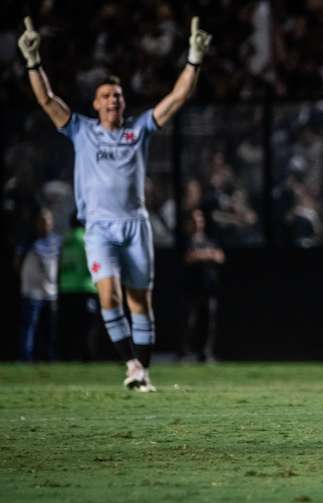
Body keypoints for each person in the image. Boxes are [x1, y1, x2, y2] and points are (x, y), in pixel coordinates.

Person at [18, 16, 211, 390]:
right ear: (96, 104)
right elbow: (45, 99)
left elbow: (176, 99)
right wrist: (32, 61)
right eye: (106, 96)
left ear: (123, 104)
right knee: (108, 294)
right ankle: (131, 365)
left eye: (117, 96)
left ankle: (143, 370)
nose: (112, 100)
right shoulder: (81, 130)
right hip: (99, 227)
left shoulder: (137, 130)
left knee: (140, 302)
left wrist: (193, 59)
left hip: (135, 225)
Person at [16, 207, 61, 361]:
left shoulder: (56, 241)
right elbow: (17, 262)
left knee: (49, 329)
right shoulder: (28, 242)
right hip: (32, 292)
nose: (45, 224)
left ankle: (49, 357)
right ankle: (26, 357)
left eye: (47, 221)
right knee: (30, 327)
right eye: (42, 221)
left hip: (51, 292)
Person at [180, 209, 224, 362]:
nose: (198, 223)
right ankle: (185, 353)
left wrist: (205, 254)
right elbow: (189, 257)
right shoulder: (185, 240)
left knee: (210, 321)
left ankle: (206, 352)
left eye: (200, 220)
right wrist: (207, 255)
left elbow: (220, 256)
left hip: (209, 287)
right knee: (190, 321)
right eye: (194, 220)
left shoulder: (209, 239)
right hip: (192, 287)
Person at [58, 212, 101, 361]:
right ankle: (87, 358)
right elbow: (94, 265)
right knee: (88, 328)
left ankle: (68, 356)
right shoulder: (86, 239)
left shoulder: (64, 240)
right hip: (85, 288)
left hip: (66, 288)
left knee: (70, 327)